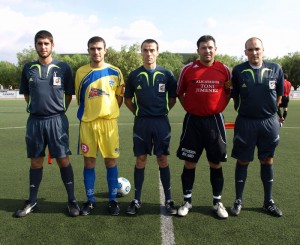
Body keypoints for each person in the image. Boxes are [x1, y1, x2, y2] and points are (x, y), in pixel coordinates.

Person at [15, 30, 79, 217]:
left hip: (57, 121)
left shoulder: (63, 67)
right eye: (39, 43)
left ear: (52, 45)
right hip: (35, 121)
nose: (43, 47)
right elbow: (26, 93)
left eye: (46, 43)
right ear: (35, 46)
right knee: (36, 161)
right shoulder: (28, 68)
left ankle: (72, 200)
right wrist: (35, 107)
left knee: (63, 159)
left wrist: (58, 111)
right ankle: (33, 201)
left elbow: (69, 95)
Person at [176, 35, 231, 218]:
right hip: (193, 121)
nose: (207, 51)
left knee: (215, 163)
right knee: (190, 162)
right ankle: (187, 201)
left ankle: (217, 203)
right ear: (197, 50)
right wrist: (190, 108)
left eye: (210, 47)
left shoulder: (224, 70)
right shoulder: (188, 70)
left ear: (216, 49)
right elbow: (180, 92)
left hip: (214, 121)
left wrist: (219, 107)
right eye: (203, 48)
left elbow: (229, 91)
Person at [230, 37, 284, 217]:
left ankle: (268, 201)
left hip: (269, 122)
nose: (254, 53)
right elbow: (235, 97)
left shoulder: (275, 68)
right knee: (243, 160)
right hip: (246, 122)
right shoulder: (238, 70)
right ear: (245, 52)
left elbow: (279, 95)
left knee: (267, 160)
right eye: (250, 50)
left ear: (263, 50)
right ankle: (238, 200)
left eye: (257, 49)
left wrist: (269, 111)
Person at [124, 39, 177, 215]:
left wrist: (163, 111)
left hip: (161, 122)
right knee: (141, 159)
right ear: (141, 52)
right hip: (142, 123)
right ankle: (137, 199)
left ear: (157, 52)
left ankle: (168, 199)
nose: (149, 54)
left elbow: (172, 99)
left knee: (162, 158)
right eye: (145, 50)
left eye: (152, 50)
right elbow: (128, 100)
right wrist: (139, 113)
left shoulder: (167, 74)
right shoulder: (134, 75)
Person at [75, 36, 124, 216]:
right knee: (89, 161)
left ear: (105, 50)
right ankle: (90, 201)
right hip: (88, 124)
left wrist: (108, 111)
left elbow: (119, 98)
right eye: (92, 48)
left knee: (110, 161)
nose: (96, 52)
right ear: (88, 50)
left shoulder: (115, 71)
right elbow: (81, 98)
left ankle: (113, 200)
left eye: (99, 48)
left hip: (109, 123)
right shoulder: (81, 72)